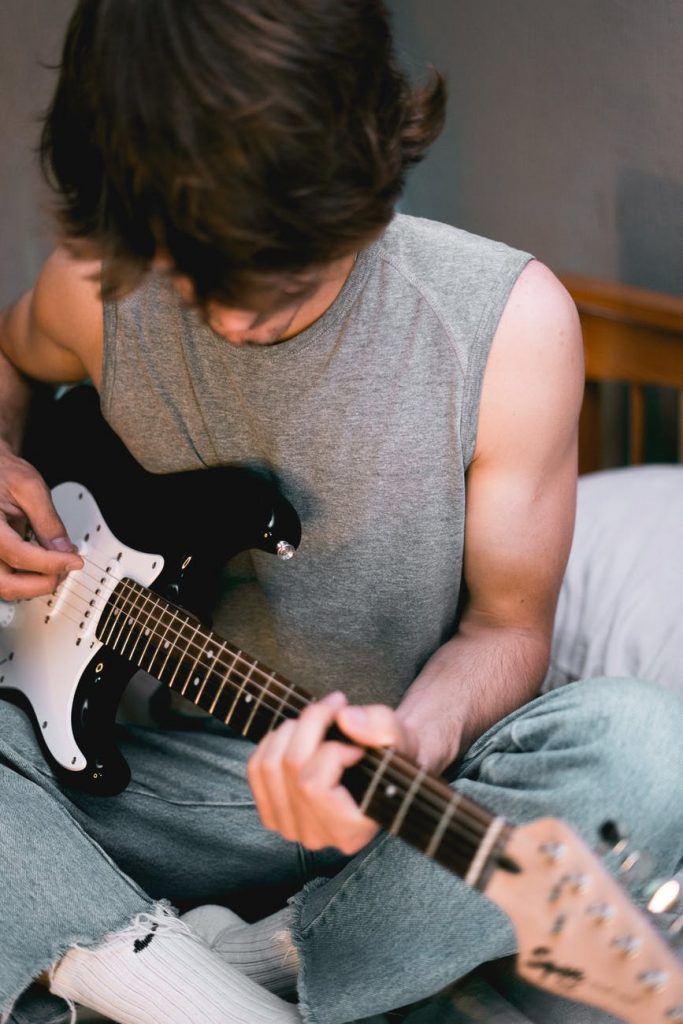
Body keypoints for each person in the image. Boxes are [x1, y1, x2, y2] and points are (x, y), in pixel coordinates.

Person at [0, 2, 680, 1023]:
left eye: (280, 274)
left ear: (365, 162)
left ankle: (210, 969)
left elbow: (509, 628)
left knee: (642, 748)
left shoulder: (505, 328)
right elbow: (11, 360)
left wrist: (409, 736)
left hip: (399, 801)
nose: (232, 316)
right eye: (192, 275)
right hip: (173, 788)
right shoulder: (93, 289)